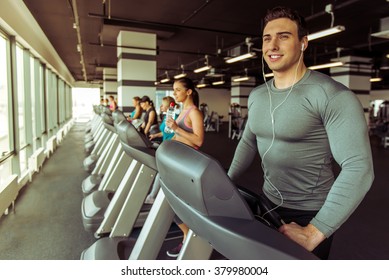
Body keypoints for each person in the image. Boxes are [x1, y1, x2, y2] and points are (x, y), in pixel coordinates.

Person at [227, 6, 374, 259]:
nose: (272, 45)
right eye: (267, 38)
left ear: (303, 43)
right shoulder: (257, 96)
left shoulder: (332, 95)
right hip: (267, 202)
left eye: (283, 36)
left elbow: (358, 166)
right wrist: (224, 183)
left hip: (310, 213)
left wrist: (315, 231)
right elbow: (248, 143)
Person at [165, 77, 204, 258]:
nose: (175, 94)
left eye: (178, 90)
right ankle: (187, 237)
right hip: (178, 161)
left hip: (188, 163)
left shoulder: (194, 112)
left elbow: (198, 140)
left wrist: (176, 129)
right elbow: (178, 137)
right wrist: (167, 143)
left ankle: (189, 239)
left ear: (188, 91)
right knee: (171, 204)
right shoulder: (182, 111)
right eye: (174, 90)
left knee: (174, 205)